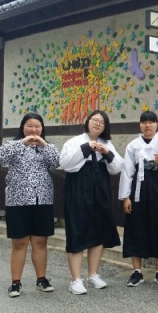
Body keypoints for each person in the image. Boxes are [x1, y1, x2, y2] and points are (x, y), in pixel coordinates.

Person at [0, 113, 60, 297]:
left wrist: (43, 145)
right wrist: (22, 142)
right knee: (20, 242)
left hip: (43, 200)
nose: (34, 130)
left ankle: (42, 279)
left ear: (42, 129)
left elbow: (56, 161)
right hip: (18, 200)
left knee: (40, 241)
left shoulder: (47, 147)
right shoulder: (13, 145)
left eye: (37, 126)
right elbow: (0, 157)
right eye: (29, 126)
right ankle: (16, 282)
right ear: (23, 127)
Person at [60, 110, 124, 295]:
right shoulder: (74, 142)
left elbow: (117, 167)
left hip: (100, 191)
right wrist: (87, 147)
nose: (97, 124)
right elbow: (66, 163)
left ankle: (93, 275)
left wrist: (106, 151)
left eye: (101, 122)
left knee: (99, 231)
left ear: (105, 127)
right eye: (94, 120)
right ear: (87, 122)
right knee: (78, 231)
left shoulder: (107, 143)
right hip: (78, 190)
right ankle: (75, 280)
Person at [119, 111, 158, 287]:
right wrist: (126, 197)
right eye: (144, 122)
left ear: (157, 124)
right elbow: (127, 171)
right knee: (136, 227)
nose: (147, 125)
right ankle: (137, 271)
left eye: (151, 122)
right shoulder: (133, 145)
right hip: (138, 188)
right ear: (140, 125)